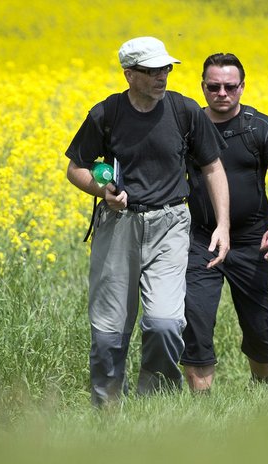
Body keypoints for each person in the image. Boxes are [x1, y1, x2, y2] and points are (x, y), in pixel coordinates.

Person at [66, 36, 230, 406]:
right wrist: (102, 190)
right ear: (129, 74)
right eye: (152, 70)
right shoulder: (105, 114)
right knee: (108, 332)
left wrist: (223, 225)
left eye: (166, 68)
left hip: (170, 225)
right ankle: (107, 408)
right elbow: (75, 169)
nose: (162, 76)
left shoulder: (185, 111)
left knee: (165, 323)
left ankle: (152, 404)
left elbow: (213, 167)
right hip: (118, 225)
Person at [182, 52, 268, 392]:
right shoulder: (188, 127)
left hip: (252, 242)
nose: (222, 93)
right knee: (196, 322)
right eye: (214, 86)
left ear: (242, 87)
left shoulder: (260, 127)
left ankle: (260, 387)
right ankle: (202, 412)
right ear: (202, 87)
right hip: (200, 239)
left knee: (259, 330)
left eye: (230, 87)